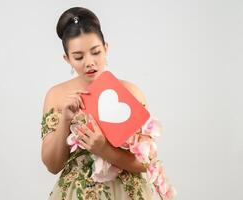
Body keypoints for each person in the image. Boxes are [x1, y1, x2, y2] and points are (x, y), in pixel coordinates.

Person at [40, 7, 176, 200]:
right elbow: (52, 166)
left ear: (106, 48)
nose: (89, 62)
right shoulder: (57, 95)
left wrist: (103, 149)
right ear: (67, 59)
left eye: (95, 52)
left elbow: (147, 162)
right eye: (78, 57)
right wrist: (65, 121)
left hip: (126, 192)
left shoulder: (129, 92)